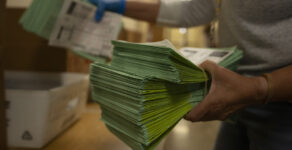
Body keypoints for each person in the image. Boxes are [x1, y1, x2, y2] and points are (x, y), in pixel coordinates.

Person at [88, 0, 292, 149]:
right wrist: (123, 6)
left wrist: (259, 87)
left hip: (282, 107)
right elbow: (197, 8)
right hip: (235, 100)